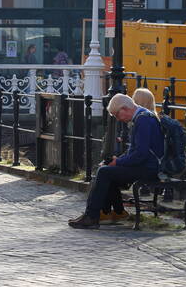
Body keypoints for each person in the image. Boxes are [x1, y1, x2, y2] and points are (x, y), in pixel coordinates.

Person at [68, 94, 163, 229]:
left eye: (117, 115)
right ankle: (112, 211)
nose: (118, 119)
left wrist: (118, 162)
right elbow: (136, 151)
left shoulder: (143, 121)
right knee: (106, 170)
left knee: (105, 172)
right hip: (146, 165)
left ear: (125, 108)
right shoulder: (142, 117)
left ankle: (92, 215)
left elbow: (140, 154)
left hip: (148, 168)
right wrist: (117, 160)